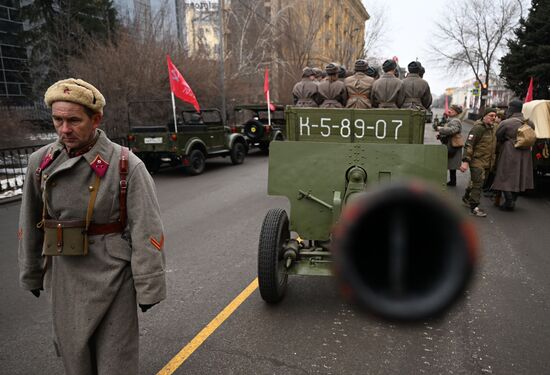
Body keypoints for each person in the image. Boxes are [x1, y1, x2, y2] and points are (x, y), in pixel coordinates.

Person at [18, 78, 167, 374]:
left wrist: (149, 288)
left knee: (116, 362)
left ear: (96, 119)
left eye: (74, 120)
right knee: (76, 360)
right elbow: (29, 224)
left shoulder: (126, 165)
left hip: (113, 278)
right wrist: (31, 272)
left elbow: (147, 230)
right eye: (57, 120)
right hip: (64, 275)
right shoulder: (41, 163)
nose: (64, 129)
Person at [492, 99, 535, 210]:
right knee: (520, 176)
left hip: (509, 151)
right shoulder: (529, 122)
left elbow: (498, 135)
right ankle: (513, 200)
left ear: (511, 108)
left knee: (504, 176)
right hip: (525, 153)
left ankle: (509, 201)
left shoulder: (506, 122)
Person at [459, 107, 498, 217]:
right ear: (484, 116)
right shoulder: (478, 128)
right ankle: (474, 207)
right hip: (477, 161)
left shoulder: (493, 128)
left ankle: (467, 197)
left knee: (477, 182)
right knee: (478, 184)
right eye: (491, 115)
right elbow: (469, 145)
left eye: (495, 116)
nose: (493, 118)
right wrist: (466, 161)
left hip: (487, 162)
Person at [437, 104, 464, 188]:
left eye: (452, 110)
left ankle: (451, 181)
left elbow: (453, 130)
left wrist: (440, 129)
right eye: (450, 109)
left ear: (456, 112)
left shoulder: (455, 121)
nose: (449, 111)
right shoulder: (451, 119)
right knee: (451, 164)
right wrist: (440, 135)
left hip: (452, 145)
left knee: (449, 163)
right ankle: (452, 181)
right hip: (450, 144)